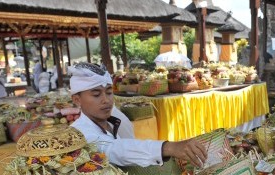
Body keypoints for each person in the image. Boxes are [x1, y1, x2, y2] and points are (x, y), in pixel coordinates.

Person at [69, 62, 207, 168]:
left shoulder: (114, 119)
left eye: (109, 92)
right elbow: (114, 149)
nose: (106, 100)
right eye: (96, 94)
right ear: (77, 100)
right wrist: (167, 147)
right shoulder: (79, 133)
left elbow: (128, 144)